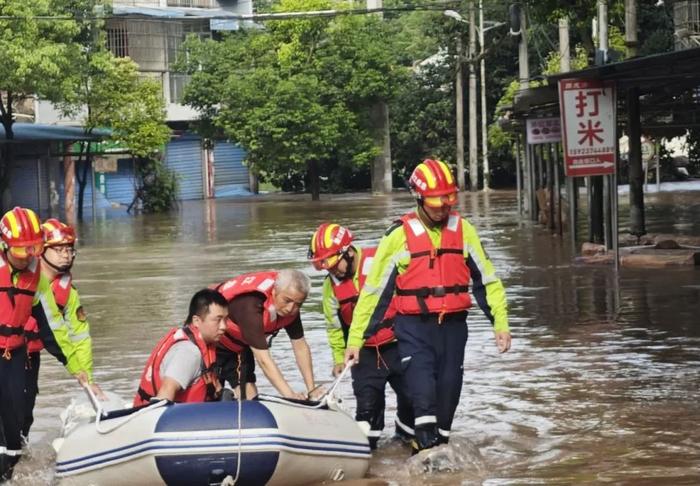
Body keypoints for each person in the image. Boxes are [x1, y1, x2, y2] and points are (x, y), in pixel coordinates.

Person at [344, 159, 512, 454]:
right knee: (424, 404)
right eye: (436, 203)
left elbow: (488, 281)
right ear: (419, 199)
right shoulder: (397, 237)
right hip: (413, 329)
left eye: (448, 202)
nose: (443, 209)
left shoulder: (464, 231)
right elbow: (373, 294)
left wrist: (500, 323)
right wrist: (356, 339)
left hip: (453, 329)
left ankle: (431, 458)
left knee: (446, 406)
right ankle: (421, 449)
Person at [308, 223, 414, 449]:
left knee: (413, 397)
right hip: (363, 354)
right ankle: (367, 454)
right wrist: (338, 358)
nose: (333, 272)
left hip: (398, 345)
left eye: (335, 266)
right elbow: (334, 326)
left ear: (349, 252)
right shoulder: (331, 287)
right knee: (367, 410)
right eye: (328, 268)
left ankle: (404, 439)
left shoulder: (380, 262)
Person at [0, 207, 87, 480]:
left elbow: (54, 329)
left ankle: (9, 470)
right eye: (20, 251)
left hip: (15, 355)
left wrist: (79, 370)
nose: (27, 257)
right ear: (5, 247)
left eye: (33, 248)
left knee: (17, 428)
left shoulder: (38, 277)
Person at [23, 218, 102, 440]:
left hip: (29, 355)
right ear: (40, 250)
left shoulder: (68, 293)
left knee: (23, 415)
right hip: (7, 350)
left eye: (69, 249)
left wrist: (86, 377)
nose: (66, 255)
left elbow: (79, 337)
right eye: (58, 249)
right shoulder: (20, 275)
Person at [212, 269, 321, 401]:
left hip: (239, 347)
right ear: (274, 291)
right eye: (287, 301)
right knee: (209, 395)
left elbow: (300, 347)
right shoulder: (251, 307)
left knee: (250, 396)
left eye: (298, 304)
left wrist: (312, 390)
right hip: (212, 346)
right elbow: (264, 360)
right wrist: (289, 395)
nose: (290, 309)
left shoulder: (291, 309)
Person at [133, 288, 227, 405]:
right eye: (217, 320)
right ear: (196, 321)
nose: (224, 326)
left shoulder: (202, 342)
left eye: (225, 319)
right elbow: (165, 394)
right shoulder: (188, 352)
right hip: (151, 418)